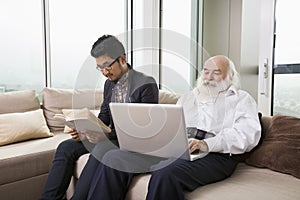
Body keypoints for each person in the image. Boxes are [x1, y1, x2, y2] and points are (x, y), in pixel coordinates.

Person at [84, 55, 262, 200]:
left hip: (215, 154)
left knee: (165, 173)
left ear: (230, 77)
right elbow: (171, 124)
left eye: (216, 73)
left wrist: (206, 144)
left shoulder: (241, 99)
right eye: (206, 72)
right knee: (115, 157)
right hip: (178, 147)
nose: (208, 77)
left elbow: (247, 135)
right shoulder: (188, 97)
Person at [39, 34, 159, 200]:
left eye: (107, 66)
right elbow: (103, 116)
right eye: (100, 68)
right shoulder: (109, 84)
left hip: (128, 141)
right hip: (109, 136)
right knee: (65, 147)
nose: (104, 72)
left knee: (102, 148)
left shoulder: (146, 84)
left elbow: (143, 129)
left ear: (122, 59)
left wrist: (106, 136)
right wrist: (86, 130)